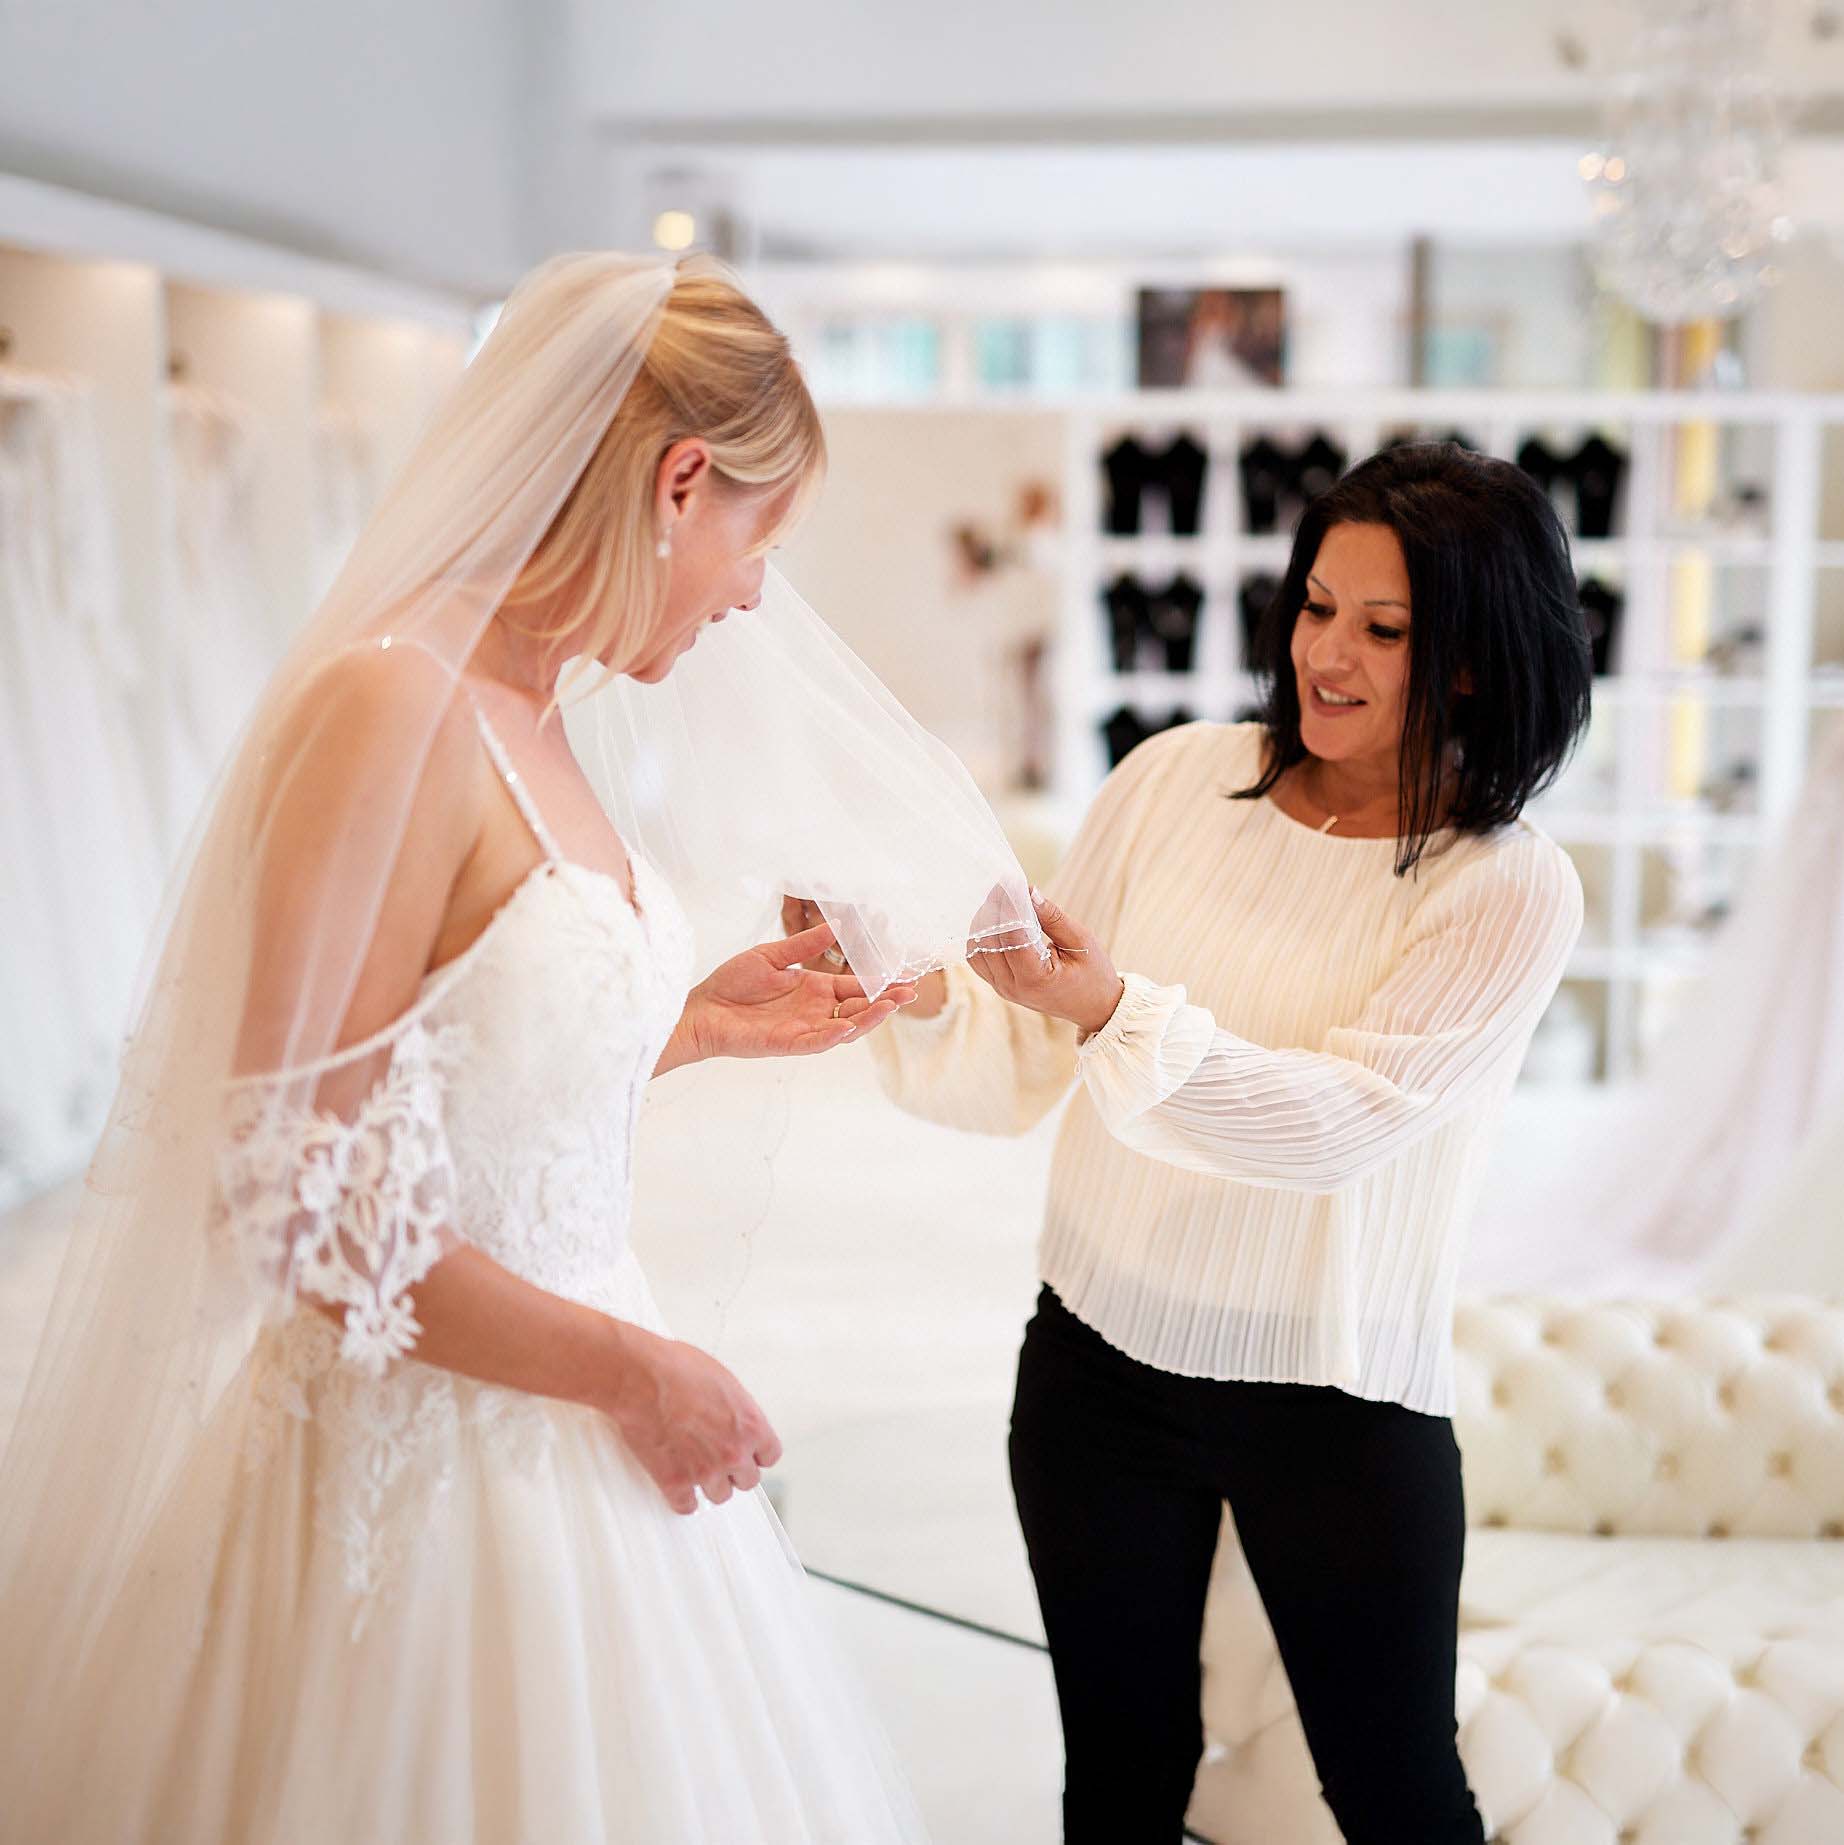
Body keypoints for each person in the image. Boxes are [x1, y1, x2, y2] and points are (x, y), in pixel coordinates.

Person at [0, 253, 1055, 1843]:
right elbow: (297, 1196)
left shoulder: (534, 709)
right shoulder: (393, 710)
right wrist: (630, 1369)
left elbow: (458, 1082)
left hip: (569, 1429)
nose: (755, 594)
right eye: (757, 540)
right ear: (678, 482)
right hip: (430, 1466)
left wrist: (690, 1022)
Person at [814, 443, 1593, 1843]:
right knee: (1116, 1776)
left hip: (1337, 1393)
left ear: (1473, 657)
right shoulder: (1174, 779)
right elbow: (1022, 1063)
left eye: (1384, 627)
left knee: (1398, 1789)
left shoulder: (1510, 887)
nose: (1326, 653)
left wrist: (1114, 1005)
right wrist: (918, 990)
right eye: (1314, 604)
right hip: (1099, 1364)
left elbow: (1338, 1125)